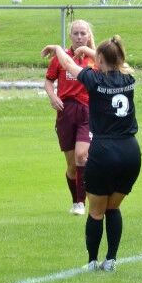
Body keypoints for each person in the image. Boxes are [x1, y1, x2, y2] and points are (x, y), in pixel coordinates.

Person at [41, 34, 141, 272]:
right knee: (113, 208)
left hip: (104, 150)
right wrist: (88, 50)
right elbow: (112, 59)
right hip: (130, 151)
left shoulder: (94, 80)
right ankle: (111, 260)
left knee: (96, 212)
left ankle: (92, 262)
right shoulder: (129, 77)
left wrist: (57, 48)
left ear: (99, 60)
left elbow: (68, 64)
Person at [44, 20, 96, 215]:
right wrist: (53, 96)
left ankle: (81, 203)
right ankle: (75, 200)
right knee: (72, 165)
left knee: (82, 156)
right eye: (76, 33)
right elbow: (48, 81)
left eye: (83, 33)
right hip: (66, 112)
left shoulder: (95, 59)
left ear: (89, 36)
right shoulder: (61, 57)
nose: (79, 37)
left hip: (87, 112)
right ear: (70, 36)